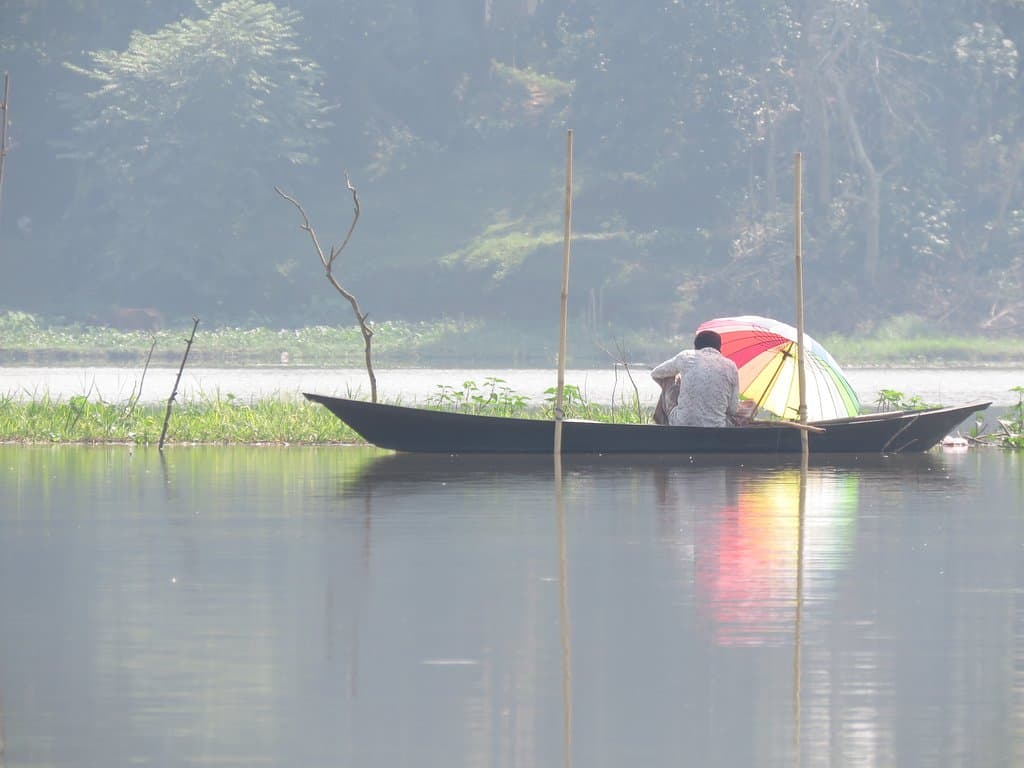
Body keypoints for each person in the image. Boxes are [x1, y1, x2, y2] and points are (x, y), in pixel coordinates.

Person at [651, 329, 747, 427]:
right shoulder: (731, 366)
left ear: (695, 347)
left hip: (681, 423)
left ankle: (661, 424)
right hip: (717, 427)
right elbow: (733, 409)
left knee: (667, 379)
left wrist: (677, 387)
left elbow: (656, 373)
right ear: (719, 347)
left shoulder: (685, 356)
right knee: (746, 407)